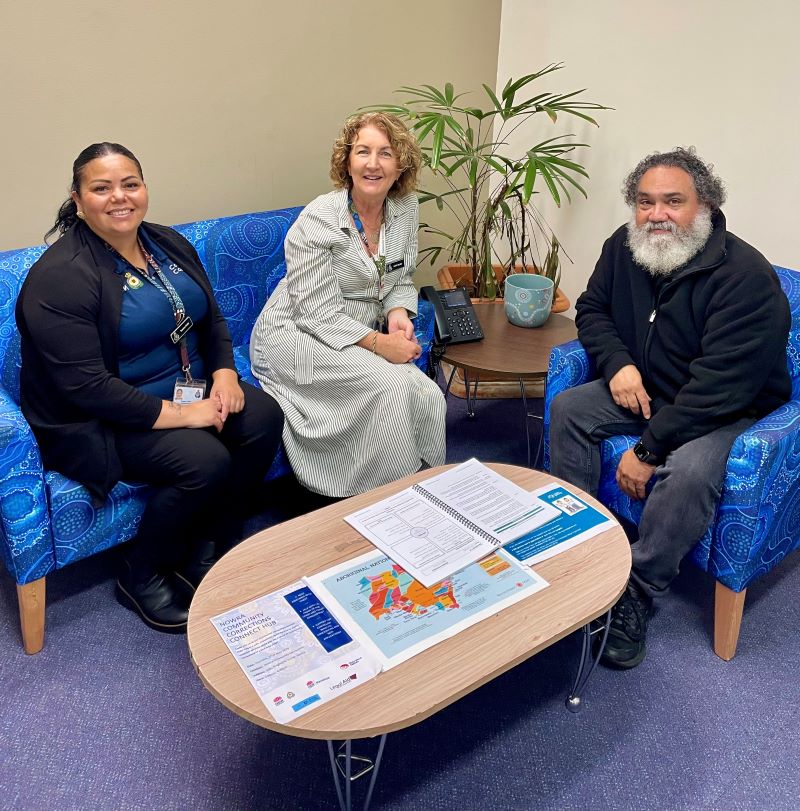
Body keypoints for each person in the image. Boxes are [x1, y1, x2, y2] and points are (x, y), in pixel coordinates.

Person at [16, 142, 284, 634]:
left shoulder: (166, 243)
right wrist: (187, 415)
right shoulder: (59, 279)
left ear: (144, 189)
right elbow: (86, 388)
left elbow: (211, 318)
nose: (119, 198)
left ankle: (207, 547)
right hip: (105, 417)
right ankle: (141, 573)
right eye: (101, 188)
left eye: (130, 184)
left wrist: (224, 372)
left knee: (264, 418)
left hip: (190, 388)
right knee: (203, 460)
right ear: (78, 200)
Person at [549, 147, 791, 668]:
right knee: (571, 409)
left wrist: (648, 447)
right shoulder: (625, 247)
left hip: (729, 410)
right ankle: (576, 545)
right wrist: (616, 365)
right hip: (651, 387)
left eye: (672, 202)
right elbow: (591, 308)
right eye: (644, 202)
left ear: (704, 206)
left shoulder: (747, 279)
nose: (656, 215)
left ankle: (637, 589)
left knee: (688, 472)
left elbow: (718, 389)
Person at [250, 112, 446, 497]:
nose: (373, 164)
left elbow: (400, 278)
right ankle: (381, 502)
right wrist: (381, 345)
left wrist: (396, 315)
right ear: (347, 161)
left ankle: (424, 493)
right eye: (363, 152)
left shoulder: (405, 209)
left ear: (400, 164)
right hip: (295, 331)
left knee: (429, 395)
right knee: (390, 387)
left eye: (385, 153)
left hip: (360, 328)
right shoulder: (319, 219)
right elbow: (316, 314)